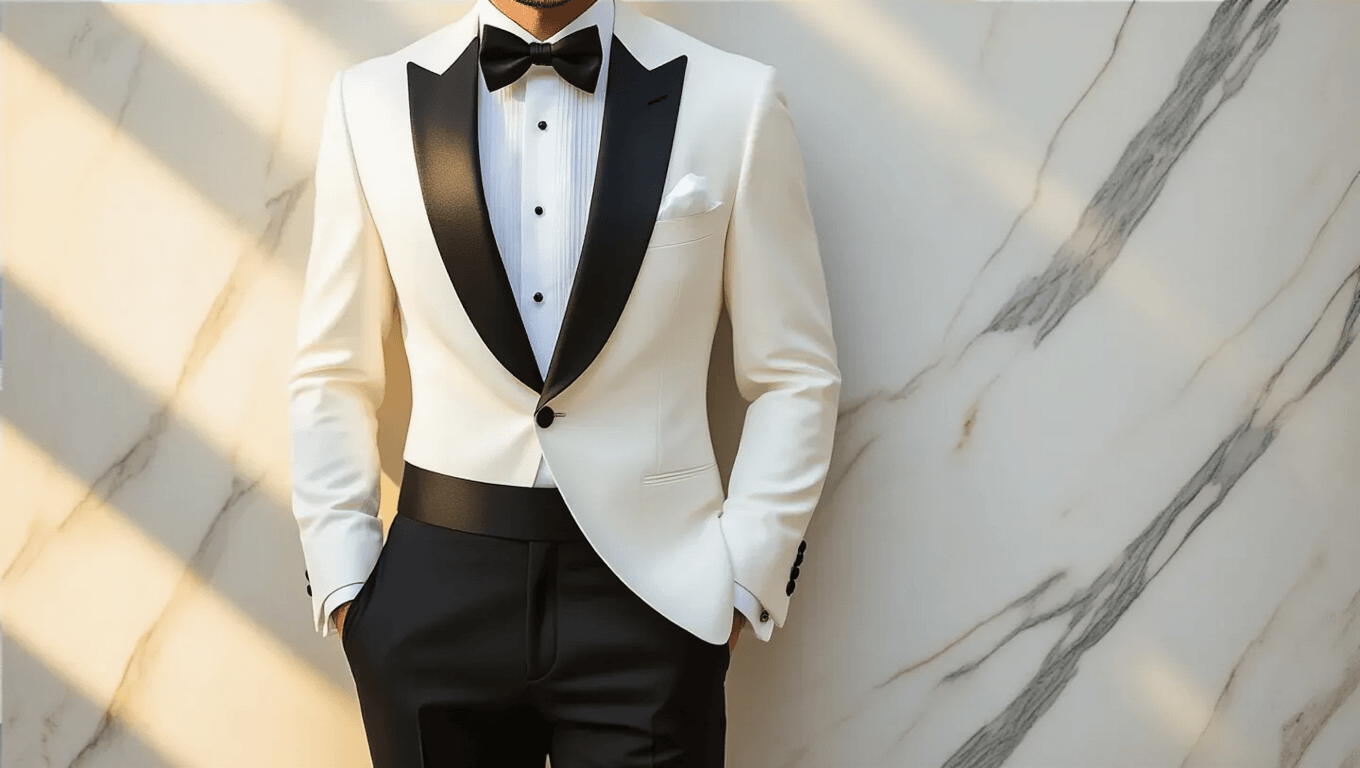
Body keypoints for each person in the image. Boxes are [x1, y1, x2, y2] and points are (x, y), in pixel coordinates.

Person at [288, 0, 840, 764]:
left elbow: (795, 373)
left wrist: (744, 582)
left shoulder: (735, 100)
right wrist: (349, 590)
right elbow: (332, 367)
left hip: (656, 598)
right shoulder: (370, 101)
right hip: (433, 592)